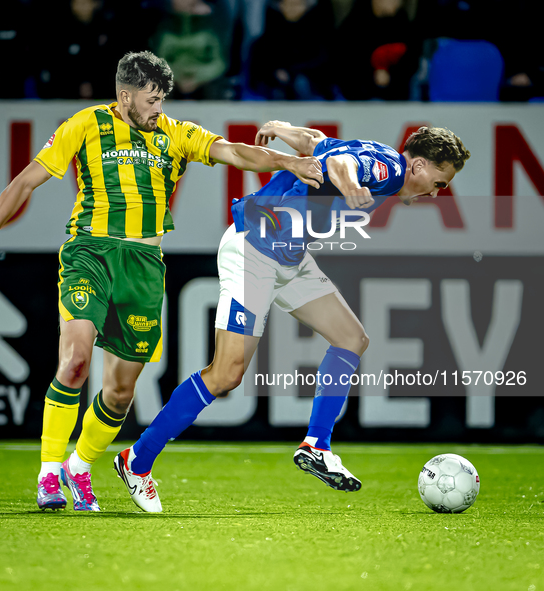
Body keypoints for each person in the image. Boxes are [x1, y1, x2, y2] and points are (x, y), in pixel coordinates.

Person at [0, 51, 323, 512]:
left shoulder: (176, 133)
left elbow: (233, 152)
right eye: (152, 100)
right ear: (125, 95)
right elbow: (24, 182)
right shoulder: (86, 124)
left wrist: (285, 162)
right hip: (89, 253)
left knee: (120, 392)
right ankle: (49, 473)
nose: (159, 108)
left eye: (162, 99)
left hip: (145, 265)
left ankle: (80, 466)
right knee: (74, 361)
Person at [114, 120, 470, 512]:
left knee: (352, 338)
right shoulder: (390, 171)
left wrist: (282, 128)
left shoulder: (382, 153)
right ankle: (136, 460)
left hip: (289, 256)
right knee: (226, 374)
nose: (439, 192)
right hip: (254, 250)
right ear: (419, 166)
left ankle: (317, 445)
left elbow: (316, 143)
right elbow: (339, 162)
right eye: (440, 181)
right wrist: (350, 185)